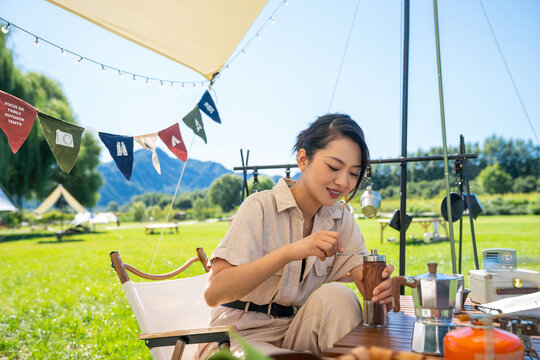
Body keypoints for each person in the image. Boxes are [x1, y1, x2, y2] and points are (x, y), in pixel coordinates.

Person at [197, 114, 394, 359]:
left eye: (354, 173)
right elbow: (213, 293)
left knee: (339, 297)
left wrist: (380, 287)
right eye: (333, 167)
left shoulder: (340, 218)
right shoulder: (260, 206)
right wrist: (291, 251)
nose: (343, 182)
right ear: (303, 159)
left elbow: (360, 272)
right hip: (238, 338)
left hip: (294, 332)